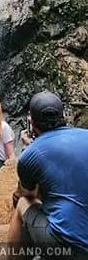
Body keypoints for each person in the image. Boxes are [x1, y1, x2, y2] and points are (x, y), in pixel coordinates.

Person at [9, 91, 88, 256]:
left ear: (31, 122)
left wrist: (29, 148)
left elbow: (28, 193)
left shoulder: (30, 154)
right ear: (64, 116)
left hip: (71, 246)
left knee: (24, 202)